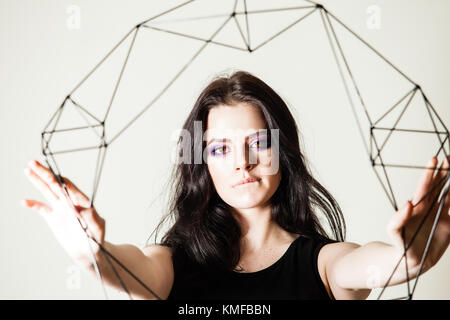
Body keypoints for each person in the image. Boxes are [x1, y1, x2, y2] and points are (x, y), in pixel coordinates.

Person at [22, 71, 449, 300]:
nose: (242, 163)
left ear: (283, 149)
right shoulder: (171, 264)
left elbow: (374, 265)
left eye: (258, 143)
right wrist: (94, 254)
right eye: (220, 149)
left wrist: (411, 257)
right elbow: (131, 268)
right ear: (201, 161)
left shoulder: (325, 263)